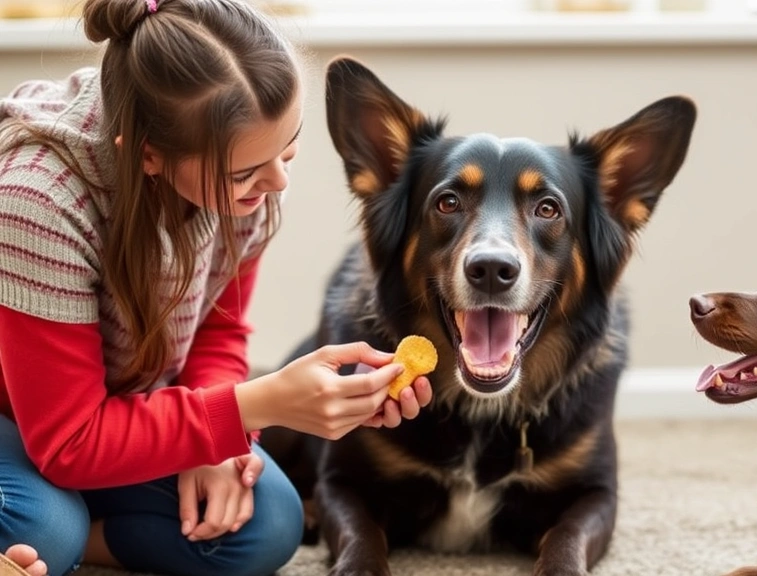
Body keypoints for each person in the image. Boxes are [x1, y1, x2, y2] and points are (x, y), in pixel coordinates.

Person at [0, 0, 433, 575]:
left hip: (112, 413)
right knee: (47, 530)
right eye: (245, 172)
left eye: (289, 147)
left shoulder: (243, 184)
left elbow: (218, 327)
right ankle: (62, 537)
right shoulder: (40, 204)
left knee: (268, 521)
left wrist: (217, 439)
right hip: (28, 423)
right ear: (149, 155)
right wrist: (245, 407)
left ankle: (79, 540)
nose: (277, 181)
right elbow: (69, 441)